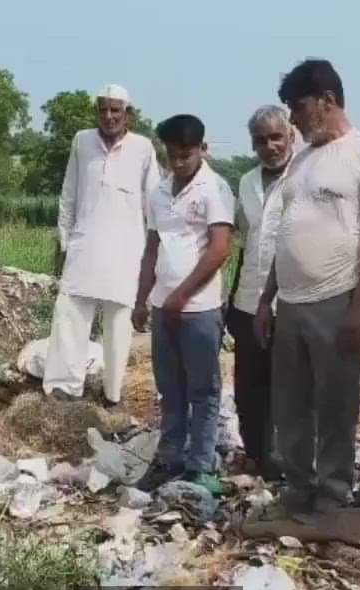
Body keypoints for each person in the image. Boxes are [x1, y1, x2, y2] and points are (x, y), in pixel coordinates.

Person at [254, 59, 360, 517]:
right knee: (290, 405)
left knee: (334, 405)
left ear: (328, 101)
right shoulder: (303, 159)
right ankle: (298, 487)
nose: (293, 119)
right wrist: (266, 300)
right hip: (291, 302)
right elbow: (286, 233)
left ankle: (334, 492)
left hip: (336, 301)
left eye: (298, 107)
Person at [132, 114, 235, 492]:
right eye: (171, 156)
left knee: (203, 390)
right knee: (170, 389)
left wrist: (182, 295)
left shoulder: (215, 189)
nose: (178, 163)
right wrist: (142, 299)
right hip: (164, 307)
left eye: (185, 156)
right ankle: (170, 458)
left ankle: (200, 465)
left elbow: (220, 248)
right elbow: (152, 248)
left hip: (200, 309)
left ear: (202, 150)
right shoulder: (159, 192)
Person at [44, 84, 161, 406]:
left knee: (119, 323)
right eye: (103, 109)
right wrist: (65, 241)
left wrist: (153, 255)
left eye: (116, 110)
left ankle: (112, 392)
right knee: (70, 315)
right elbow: (69, 194)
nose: (109, 116)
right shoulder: (82, 141)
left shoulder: (143, 147)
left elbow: (154, 203)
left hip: (127, 251)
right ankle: (64, 387)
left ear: (128, 114)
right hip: (85, 245)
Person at [226, 105, 297, 479]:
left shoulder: (305, 175)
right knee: (248, 385)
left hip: (290, 301)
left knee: (285, 384)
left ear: (291, 136)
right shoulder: (247, 182)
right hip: (248, 300)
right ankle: (255, 453)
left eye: (276, 137)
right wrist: (233, 297)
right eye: (261, 140)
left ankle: (283, 460)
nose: (269, 146)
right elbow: (244, 243)